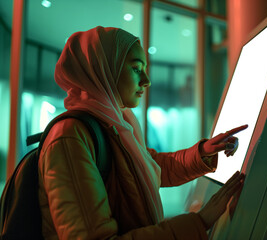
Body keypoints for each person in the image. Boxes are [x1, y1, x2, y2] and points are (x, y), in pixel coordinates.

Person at [38, 26, 247, 239]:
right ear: (104, 69)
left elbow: (149, 168)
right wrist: (198, 222)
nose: (146, 80)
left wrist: (202, 152)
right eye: (136, 68)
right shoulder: (70, 137)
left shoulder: (115, 123)